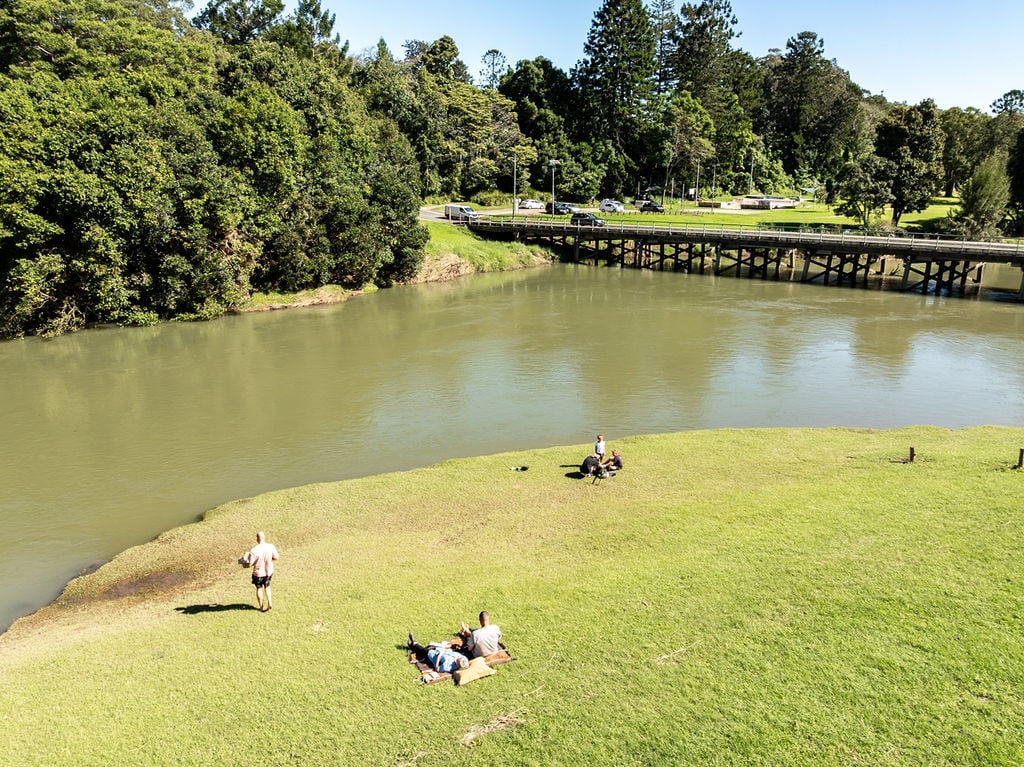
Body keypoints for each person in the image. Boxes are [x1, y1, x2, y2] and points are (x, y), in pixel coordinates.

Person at [241, 530, 279, 612]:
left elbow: (249, 564)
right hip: (269, 571)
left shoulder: (254, 550)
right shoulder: (271, 546)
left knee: (259, 588)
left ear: (257, 538)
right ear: (264, 537)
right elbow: (276, 557)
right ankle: (270, 603)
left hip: (258, 573)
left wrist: (242, 562)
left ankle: (261, 607)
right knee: (267, 586)